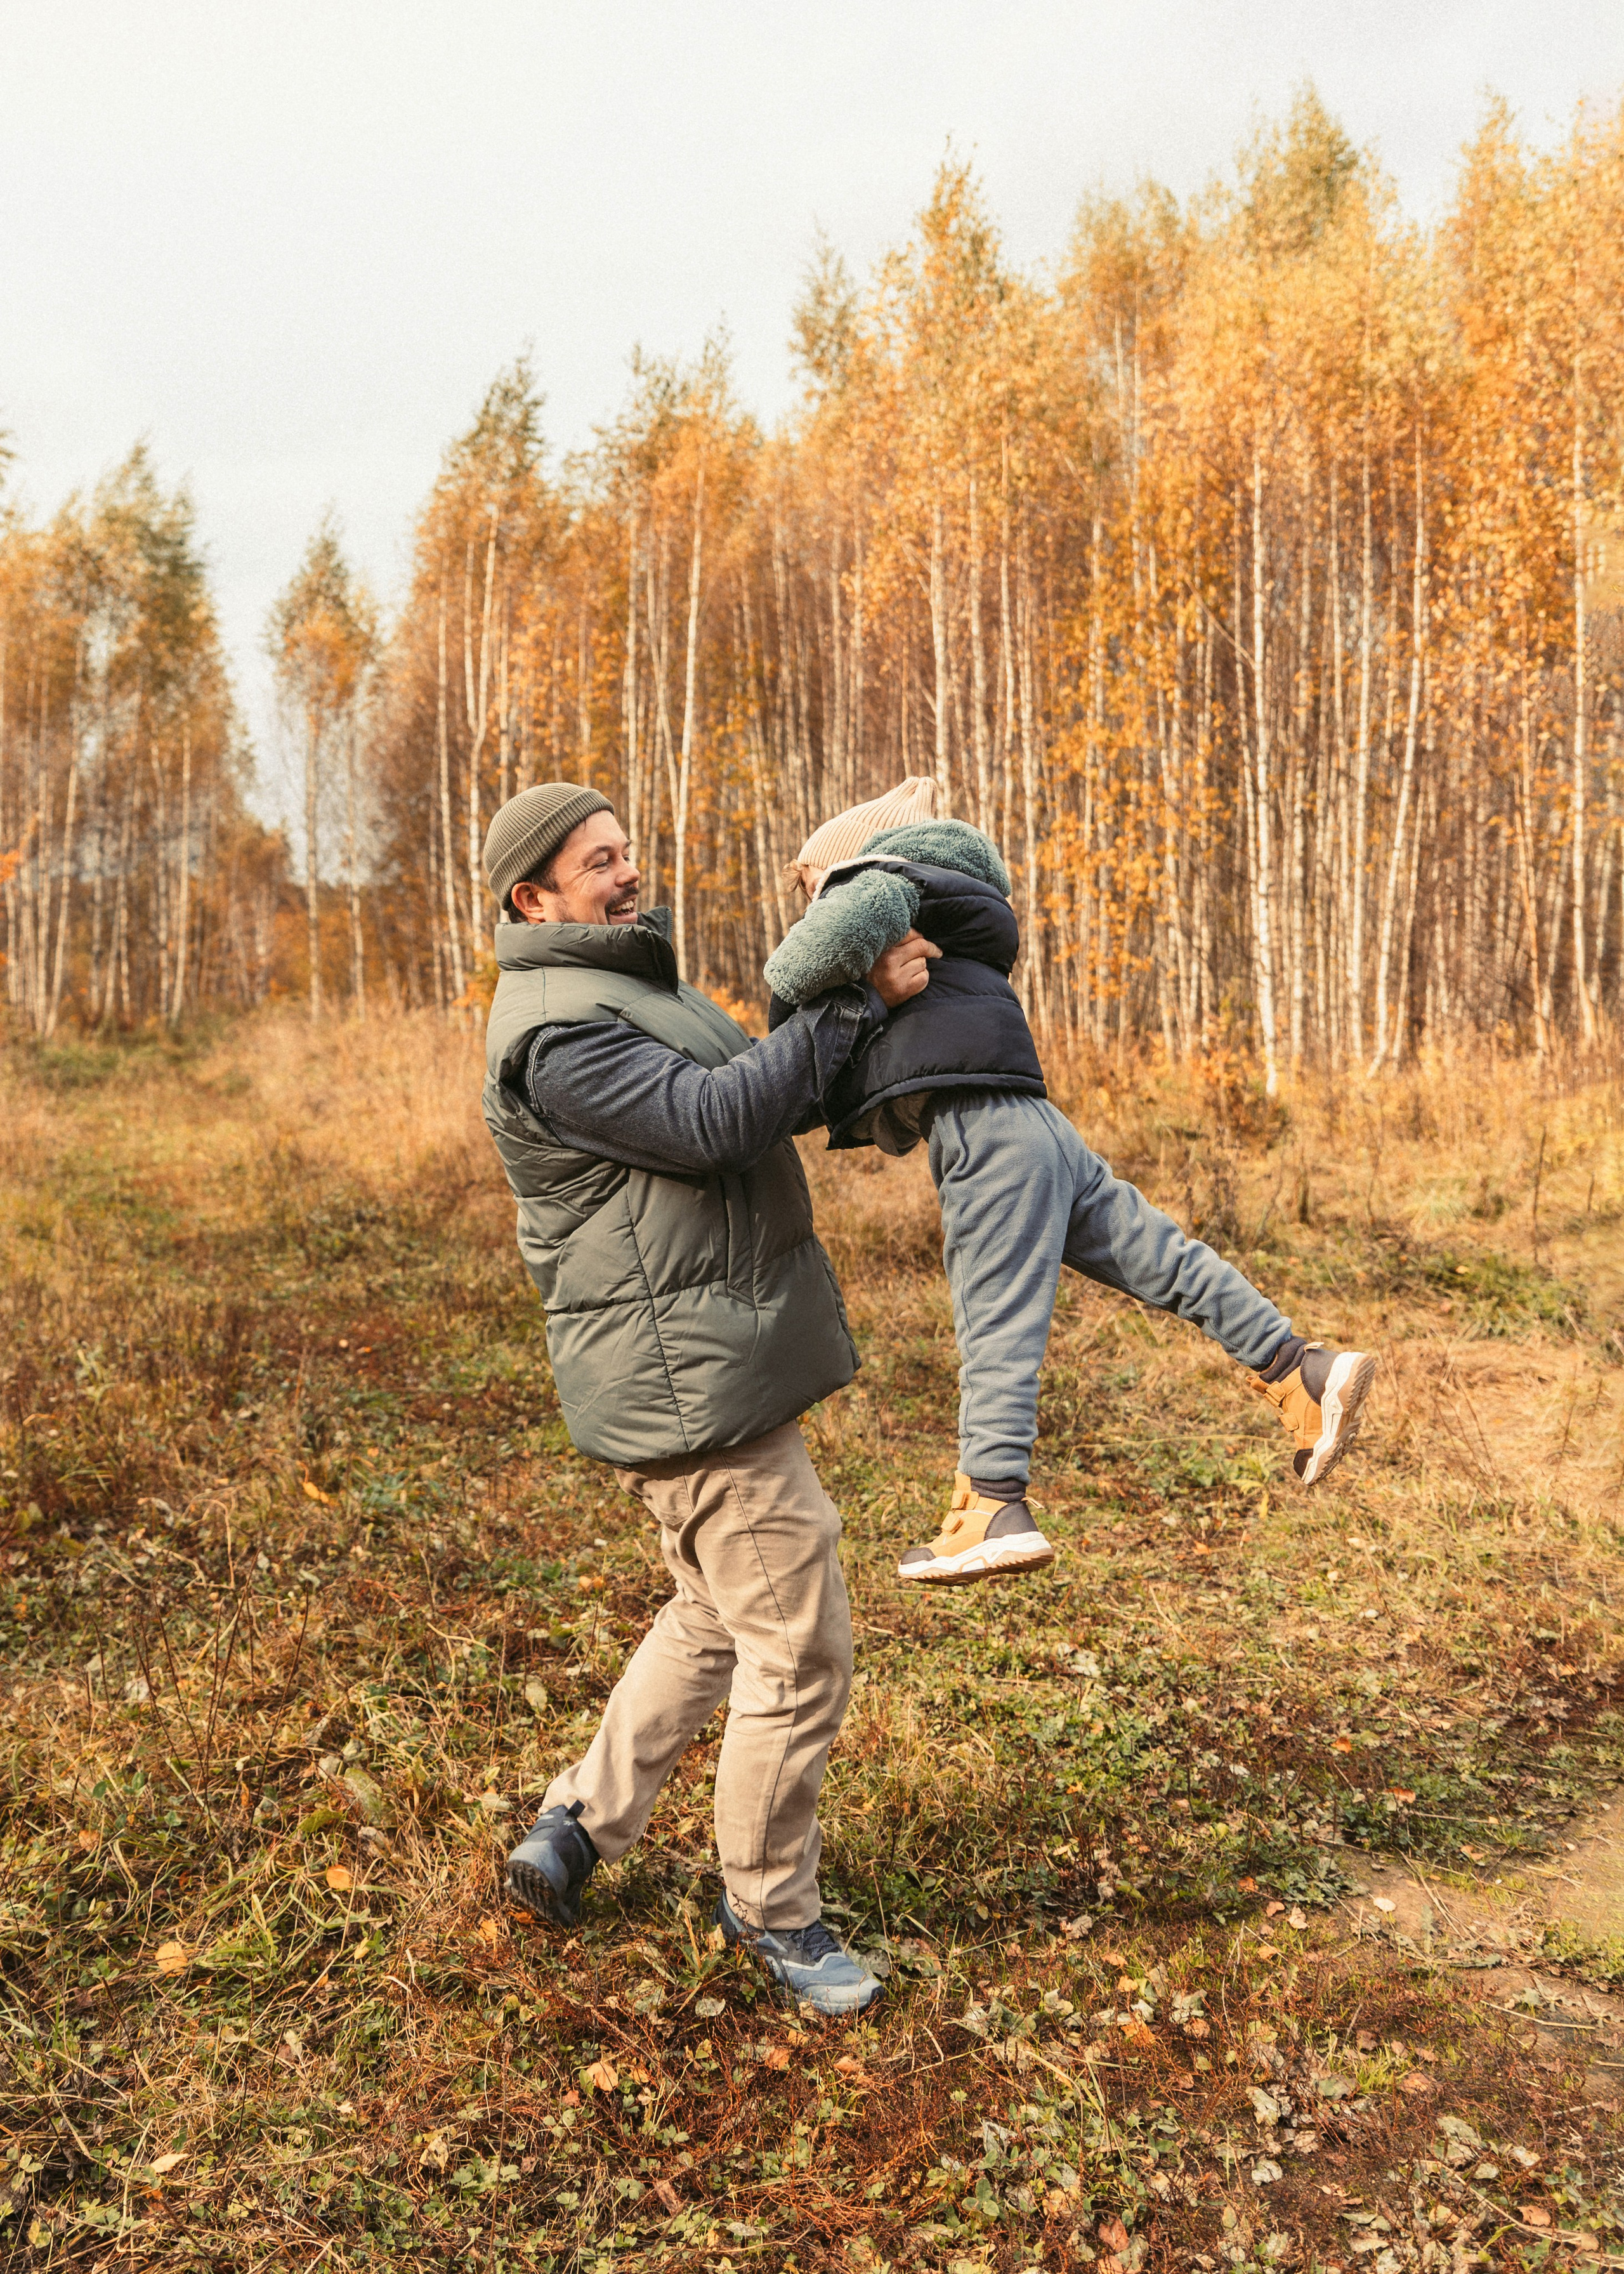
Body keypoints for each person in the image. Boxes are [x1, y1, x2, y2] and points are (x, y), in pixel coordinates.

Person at [478, 780, 933, 2017]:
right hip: (684, 1381)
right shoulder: (558, 1033)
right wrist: (852, 990)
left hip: (694, 1357)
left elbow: (765, 1079)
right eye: (597, 862)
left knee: (712, 1610)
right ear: (533, 896)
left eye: (625, 850)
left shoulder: (627, 985)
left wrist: (869, 1042)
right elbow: (718, 1117)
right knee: (797, 1640)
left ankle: (573, 1826)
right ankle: (771, 1911)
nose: (626, 874)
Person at [764, 777, 1377, 1586]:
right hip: (1034, 1123)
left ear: (850, 856)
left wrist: (788, 988)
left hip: (984, 1131)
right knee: (1163, 1258)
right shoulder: (956, 897)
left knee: (996, 1316)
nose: (805, 897)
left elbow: (808, 957)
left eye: (807, 881)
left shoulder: (876, 882)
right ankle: (1299, 1369)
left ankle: (991, 1502)